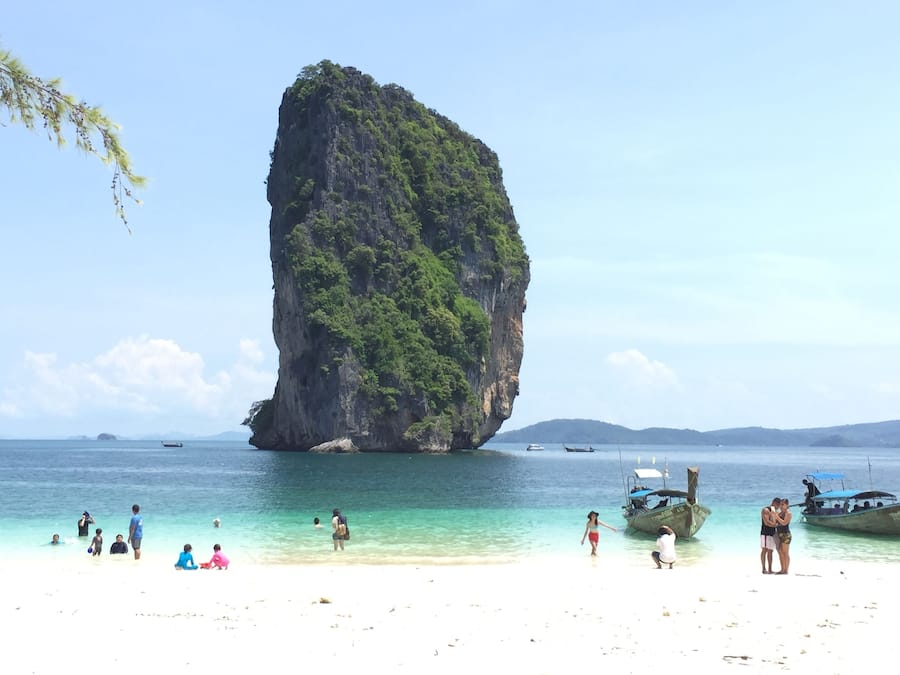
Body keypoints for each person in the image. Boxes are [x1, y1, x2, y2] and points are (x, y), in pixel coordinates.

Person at [760, 497, 779, 574]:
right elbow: (766, 522)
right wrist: (775, 525)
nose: (778, 507)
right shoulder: (766, 510)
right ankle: (764, 568)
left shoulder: (775, 511)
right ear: (774, 503)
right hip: (765, 533)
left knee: (771, 551)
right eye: (778, 505)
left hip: (772, 533)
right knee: (764, 550)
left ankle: (770, 569)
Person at [774, 497, 792, 574]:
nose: (781, 506)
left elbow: (784, 523)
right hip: (779, 534)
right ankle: (782, 569)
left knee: (785, 552)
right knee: (781, 552)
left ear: (787, 505)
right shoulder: (779, 513)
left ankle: (786, 570)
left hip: (785, 534)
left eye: (783, 504)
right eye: (780, 504)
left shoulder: (788, 513)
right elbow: (775, 523)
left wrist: (777, 516)